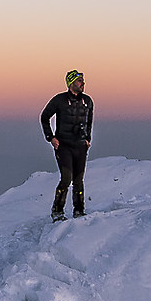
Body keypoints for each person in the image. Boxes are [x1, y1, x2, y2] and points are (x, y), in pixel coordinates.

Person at [40, 70, 93, 219]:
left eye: (83, 80)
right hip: (63, 146)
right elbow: (44, 117)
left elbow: (89, 121)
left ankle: (79, 211)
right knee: (66, 178)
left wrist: (88, 139)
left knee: (78, 180)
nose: (83, 83)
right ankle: (57, 211)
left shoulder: (88, 101)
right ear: (71, 83)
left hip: (80, 146)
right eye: (79, 81)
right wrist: (51, 137)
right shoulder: (59, 100)